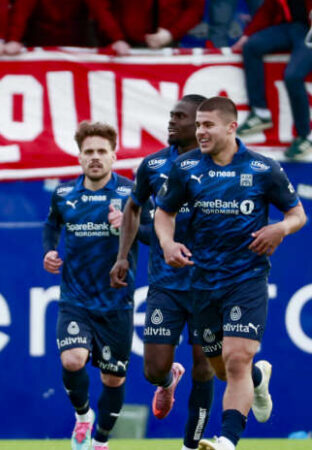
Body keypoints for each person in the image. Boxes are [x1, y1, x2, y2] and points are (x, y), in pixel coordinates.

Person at [155, 96, 307, 450]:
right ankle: (258, 379)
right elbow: (164, 212)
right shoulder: (185, 167)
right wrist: (166, 243)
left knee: (237, 358)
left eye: (208, 125)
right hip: (202, 282)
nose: (200, 132)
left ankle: (226, 441)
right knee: (223, 368)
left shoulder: (263, 168)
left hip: (246, 278)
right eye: (198, 125)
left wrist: (281, 228)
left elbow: (298, 214)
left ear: (231, 127)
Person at [110, 95, 219, 450]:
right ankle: (168, 380)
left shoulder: (221, 166)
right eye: (171, 115)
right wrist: (123, 256)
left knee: (205, 366)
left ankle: (191, 445)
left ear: (200, 125)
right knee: (153, 369)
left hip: (208, 284)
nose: (171, 121)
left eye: (180, 117)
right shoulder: (154, 165)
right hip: (166, 285)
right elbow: (134, 210)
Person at [43, 121, 143, 450]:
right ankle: (83, 415)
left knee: (112, 377)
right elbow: (51, 226)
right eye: (89, 152)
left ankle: (100, 441)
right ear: (80, 158)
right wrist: (49, 252)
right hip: (76, 299)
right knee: (72, 360)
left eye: (102, 151)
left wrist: (128, 224)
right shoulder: (64, 195)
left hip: (116, 302)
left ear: (114, 156)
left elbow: (155, 234)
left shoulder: (131, 194)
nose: (95, 157)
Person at [232, 0, 312, 159]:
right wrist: (247, 35)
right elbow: (268, 9)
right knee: (251, 47)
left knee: (293, 76)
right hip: (292, 27)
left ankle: (306, 136)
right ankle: (260, 113)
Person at [86, 0, 205, 55]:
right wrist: (116, 37)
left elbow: (196, 8)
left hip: (168, 44)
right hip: (123, 46)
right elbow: (99, 6)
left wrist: (172, 33)